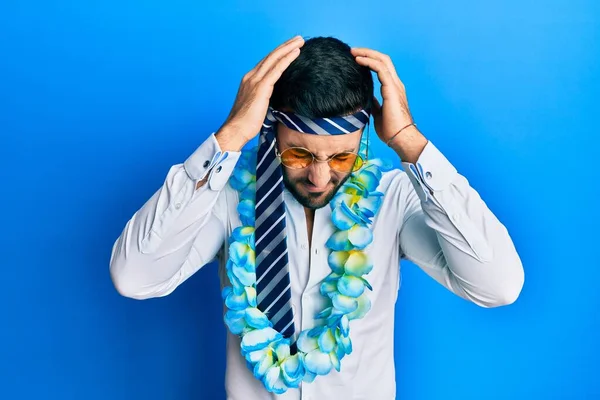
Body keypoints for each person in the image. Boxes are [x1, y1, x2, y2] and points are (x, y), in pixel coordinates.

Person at [109, 35, 525, 400]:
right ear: (270, 132)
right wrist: (231, 135)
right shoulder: (227, 196)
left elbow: (499, 286)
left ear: (362, 142)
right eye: (299, 153)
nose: (319, 176)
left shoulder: (392, 200)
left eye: (342, 156)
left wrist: (408, 141)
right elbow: (134, 278)